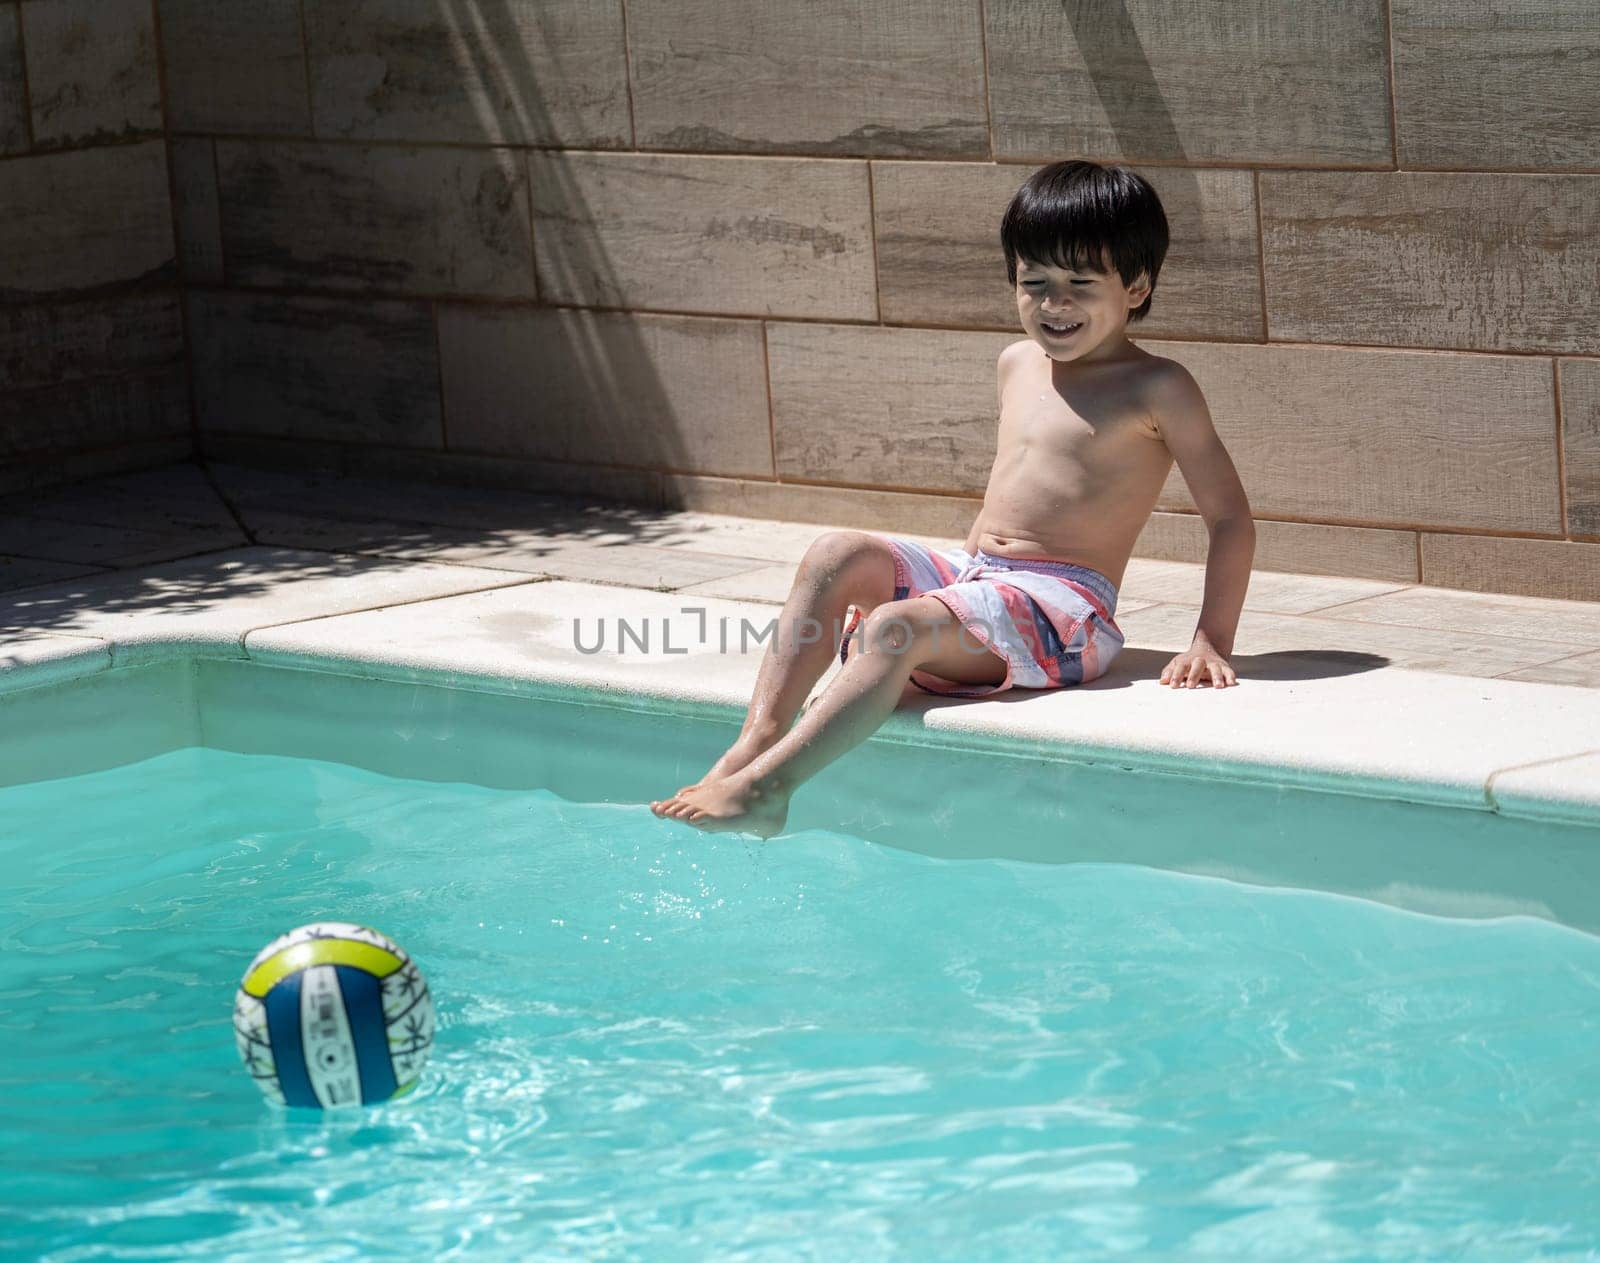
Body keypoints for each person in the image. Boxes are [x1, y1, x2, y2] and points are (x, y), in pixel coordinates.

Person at [650, 159, 1254, 837]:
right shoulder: (1016, 362)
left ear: (1136, 288)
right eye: (1035, 283)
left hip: (1064, 608)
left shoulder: (1157, 387)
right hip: (980, 576)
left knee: (892, 627)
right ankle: (755, 740)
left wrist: (1210, 640)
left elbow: (1229, 518)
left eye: (1080, 285)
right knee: (835, 552)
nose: (1054, 305)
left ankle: (769, 788)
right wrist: (953, 590)